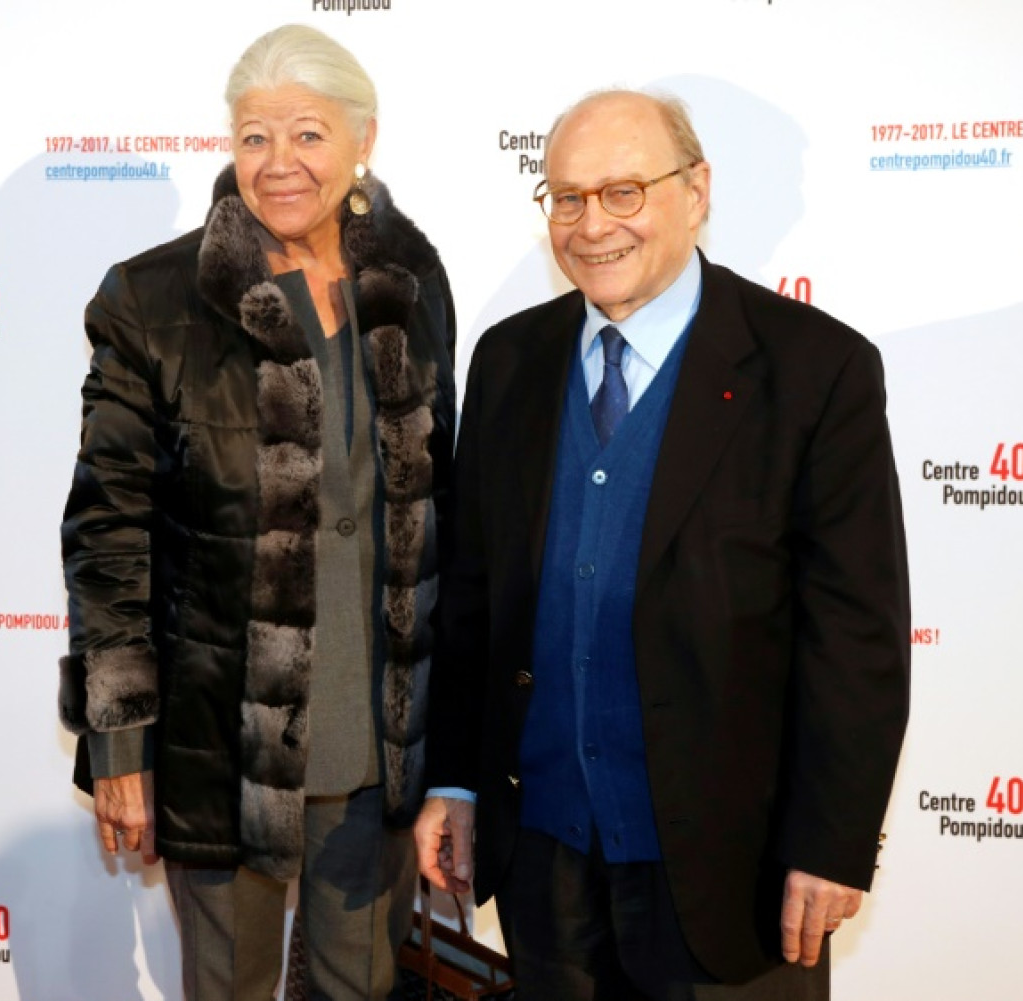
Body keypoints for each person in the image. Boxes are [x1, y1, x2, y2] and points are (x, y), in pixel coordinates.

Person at [415, 89, 909, 1000]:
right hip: (545, 859)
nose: (591, 224)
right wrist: (456, 778)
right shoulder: (509, 360)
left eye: (623, 192)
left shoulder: (815, 370)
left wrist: (830, 843)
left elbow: (857, 636)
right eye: (566, 197)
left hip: (735, 875)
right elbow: (474, 599)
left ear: (697, 190)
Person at [57, 24, 455, 1000]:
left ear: (364, 139)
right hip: (218, 738)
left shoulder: (410, 284)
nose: (279, 164)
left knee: (357, 988)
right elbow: (109, 534)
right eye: (254, 137)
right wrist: (119, 743)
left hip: (376, 742)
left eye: (309, 134)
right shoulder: (152, 300)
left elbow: (438, 511)